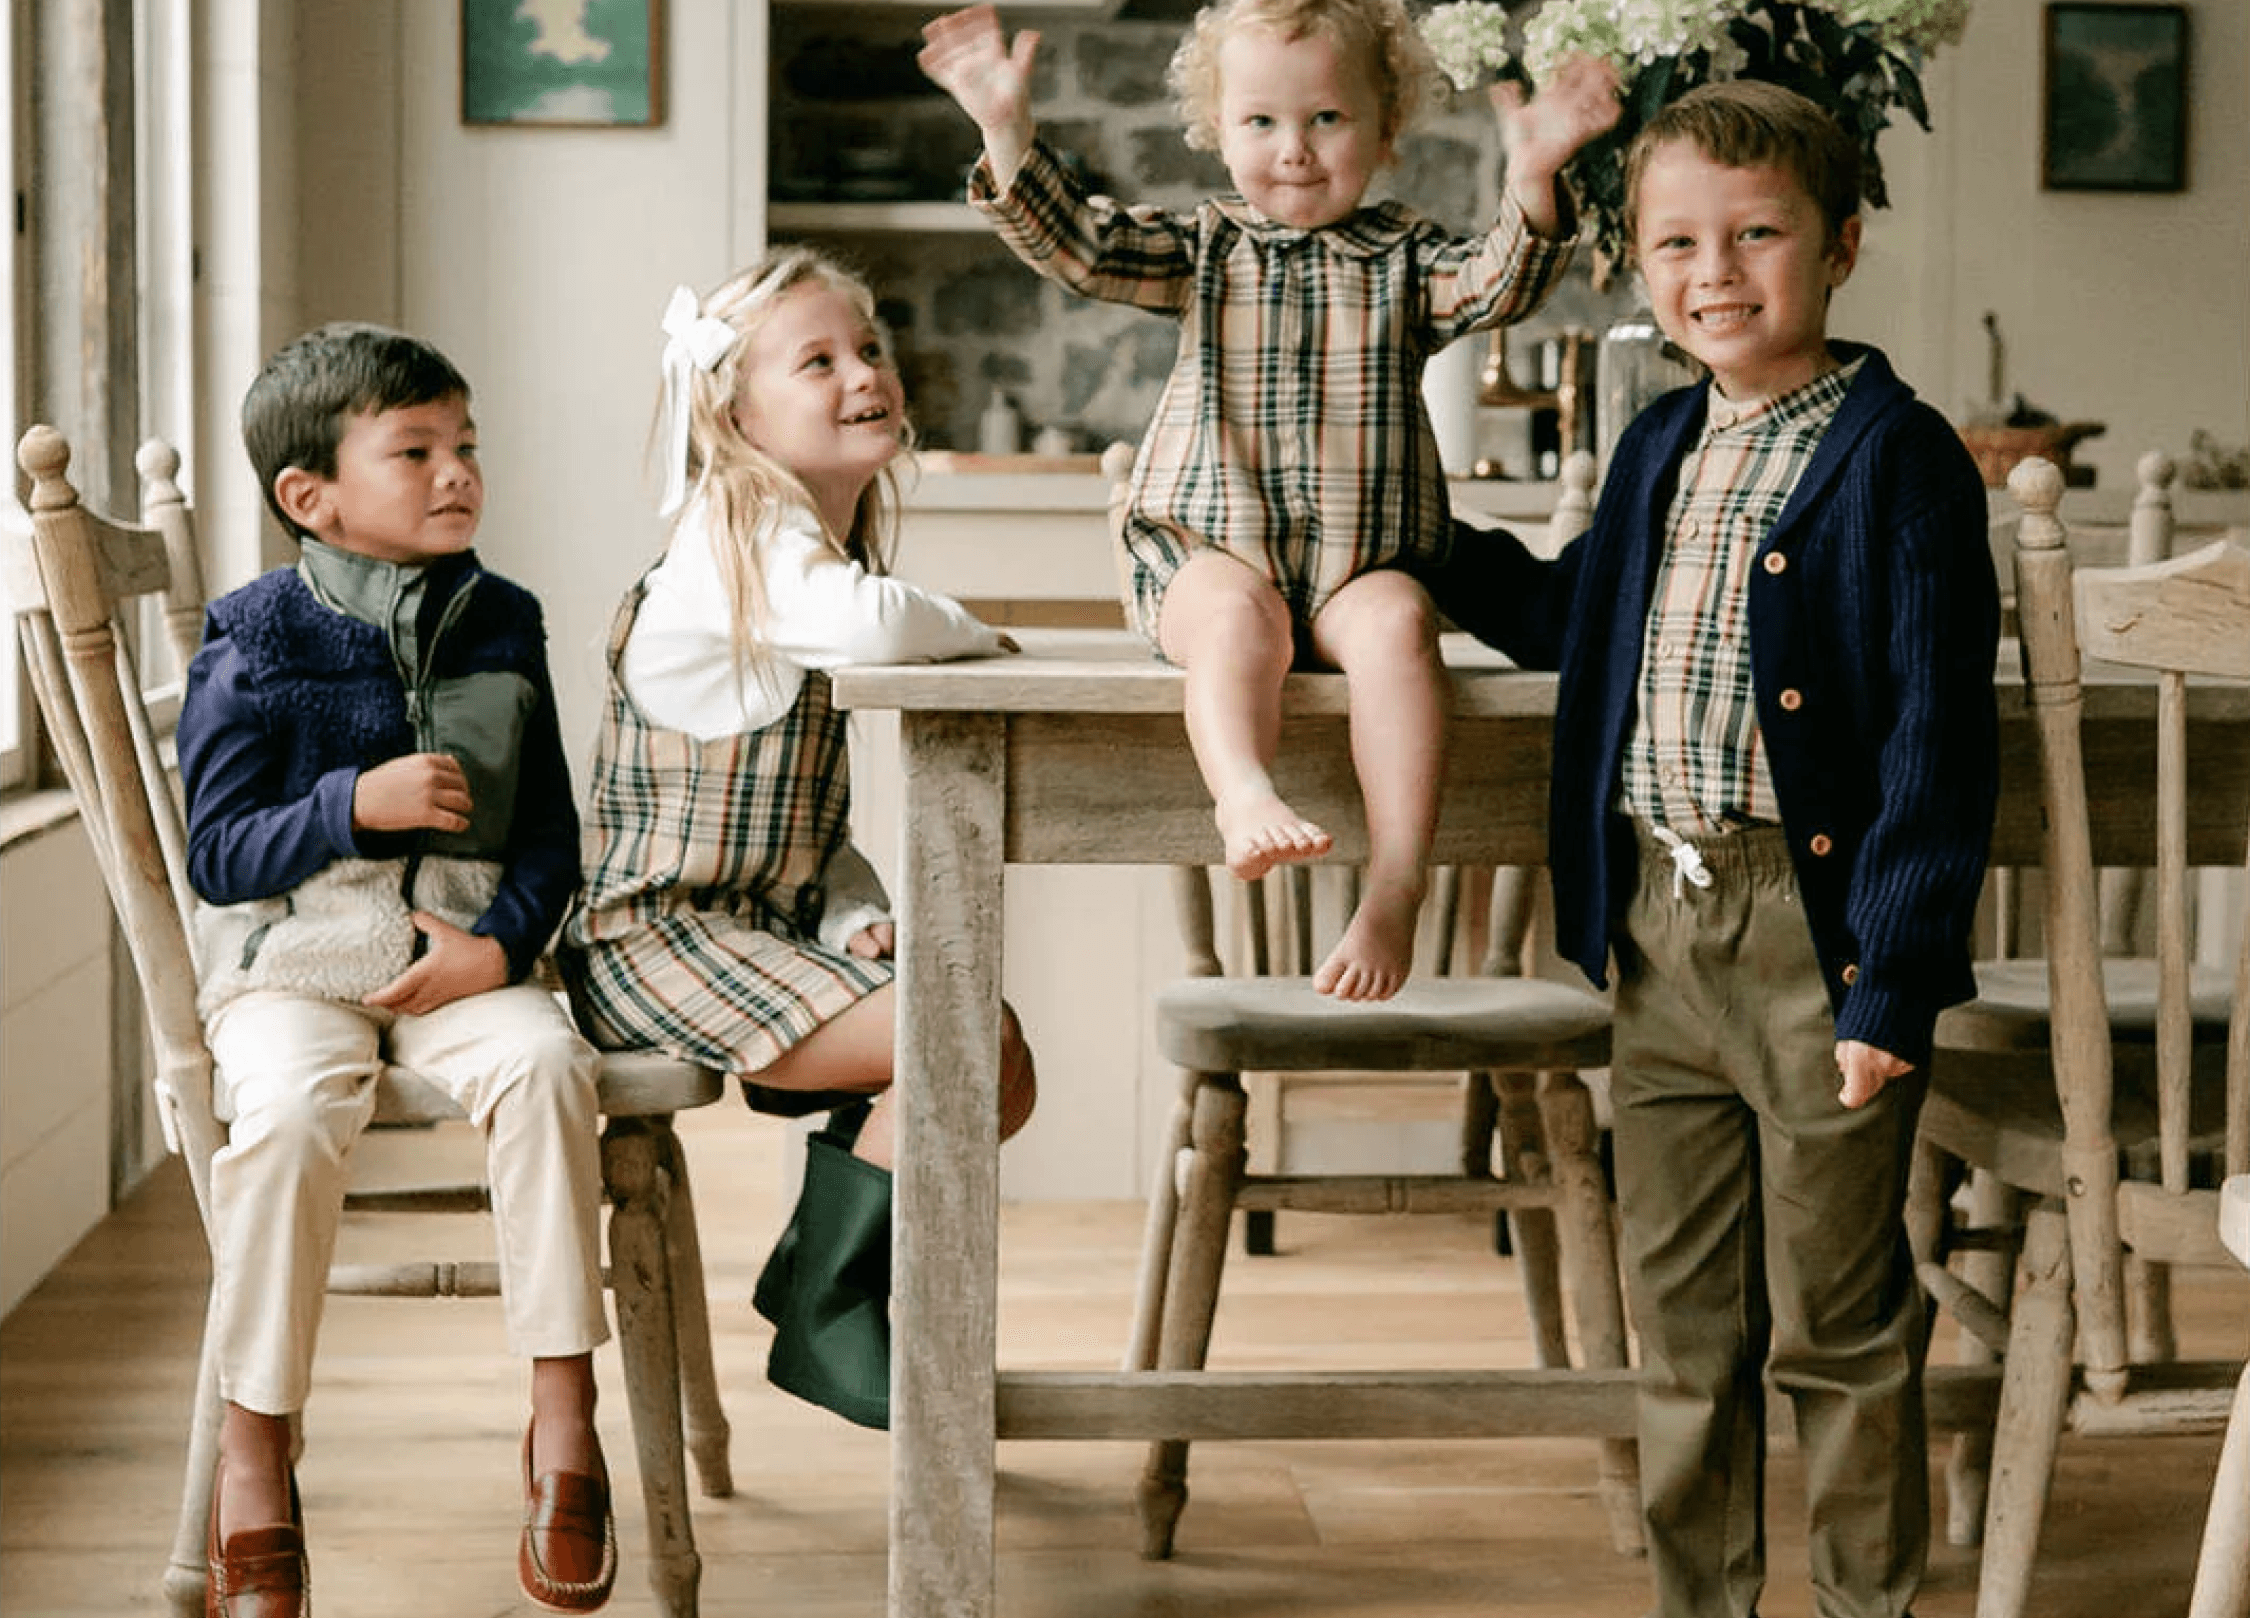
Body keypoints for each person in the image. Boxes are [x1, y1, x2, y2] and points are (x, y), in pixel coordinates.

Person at [1415, 80, 1999, 1618]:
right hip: (1656, 929)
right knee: (1678, 1328)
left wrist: (1889, 981)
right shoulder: (1662, 437)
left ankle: (1864, 1603)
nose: (1713, 272)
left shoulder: (1901, 459)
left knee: (1840, 1320)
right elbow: (1569, 617)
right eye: (1675, 241)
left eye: (1755, 234)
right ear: (1634, 260)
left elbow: (1938, 750)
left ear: (1842, 245)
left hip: (1819, 945)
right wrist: (1414, 538)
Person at [918, 0, 1620, 1000]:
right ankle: (1242, 790)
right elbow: (1078, 245)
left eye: (1326, 120)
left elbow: (1498, 281)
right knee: (1235, 621)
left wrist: (1535, 179)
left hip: (1357, 565)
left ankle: (1395, 881)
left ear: (1384, 133)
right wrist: (1004, 131)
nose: (1293, 150)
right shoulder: (1201, 252)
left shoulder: (1407, 263)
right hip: (1210, 550)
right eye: (1261, 123)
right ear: (1217, 131)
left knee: (1397, 623)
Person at [555, 248, 1037, 1432]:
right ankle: (827, 1297)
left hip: (754, 934)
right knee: (967, 1038)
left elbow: (807, 822)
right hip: (653, 944)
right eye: (814, 360)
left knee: (990, 1047)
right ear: (737, 416)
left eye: (866, 349)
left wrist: (847, 909)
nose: (858, 373)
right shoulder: (742, 536)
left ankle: (820, 1274)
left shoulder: (807, 550)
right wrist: (983, 633)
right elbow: (875, 627)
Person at [177, 323, 615, 1617]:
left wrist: (501, 945)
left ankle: (563, 1420)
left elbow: (549, 833)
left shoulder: (505, 620)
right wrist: (350, 804)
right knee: (294, 1111)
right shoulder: (252, 635)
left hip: (466, 958)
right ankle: (255, 1442)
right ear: (309, 497)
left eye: (464, 446)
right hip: (296, 966)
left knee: (546, 1068)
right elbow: (215, 851)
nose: (455, 473)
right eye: (414, 450)